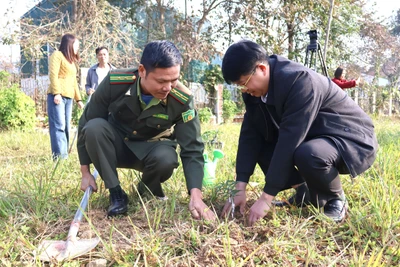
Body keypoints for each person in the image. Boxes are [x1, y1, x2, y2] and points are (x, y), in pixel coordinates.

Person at [220, 40, 378, 226]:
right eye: (239, 86)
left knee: (308, 153)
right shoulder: (254, 91)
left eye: (244, 83)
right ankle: (305, 193)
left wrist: (266, 198)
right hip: (315, 136)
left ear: (262, 68)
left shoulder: (300, 81)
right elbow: (250, 134)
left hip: (349, 137)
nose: (244, 90)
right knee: (263, 140)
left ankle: (335, 199)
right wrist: (240, 186)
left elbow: (290, 140)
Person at [77, 40, 216, 220]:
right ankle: (116, 193)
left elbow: (192, 148)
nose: (168, 88)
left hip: (153, 150)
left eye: (174, 80)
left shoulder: (182, 99)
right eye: (161, 81)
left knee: (167, 159)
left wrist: (196, 196)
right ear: (142, 71)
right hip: (116, 146)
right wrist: (85, 172)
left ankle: (147, 188)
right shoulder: (115, 82)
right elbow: (86, 122)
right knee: (94, 128)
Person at [47, 33, 84, 160]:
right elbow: (53, 75)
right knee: (59, 126)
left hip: (68, 97)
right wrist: (56, 93)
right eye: (76, 45)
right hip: (57, 96)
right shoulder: (57, 55)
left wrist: (78, 99)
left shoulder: (71, 62)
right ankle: (59, 157)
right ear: (69, 44)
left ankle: (64, 155)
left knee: (66, 127)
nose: (78, 47)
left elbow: (74, 81)